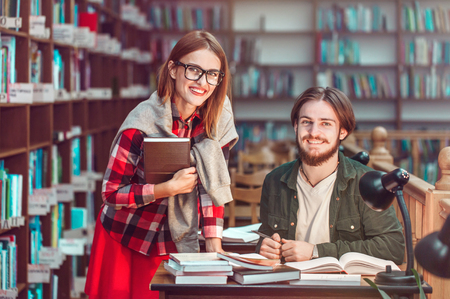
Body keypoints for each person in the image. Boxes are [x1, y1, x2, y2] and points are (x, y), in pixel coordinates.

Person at [85, 30, 238, 299]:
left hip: (174, 235)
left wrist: (214, 242)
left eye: (212, 73)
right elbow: (110, 193)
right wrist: (165, 189)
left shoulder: (217, 119)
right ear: (173, 69)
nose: (202, 82)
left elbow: (213, 185)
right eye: (193, 69)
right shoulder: (142, 123)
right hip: (127, 235)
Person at [256, 86, 405, 265]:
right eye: (306, 122)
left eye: (325, 123)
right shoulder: (274, 180)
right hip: (289, 287)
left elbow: (393, 247)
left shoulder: (366, 182)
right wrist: (264, 247)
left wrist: (316, 251)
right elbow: (264, 236)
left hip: (344, 290)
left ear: (343, 131)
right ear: (296, 126)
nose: (313, 132)